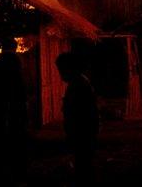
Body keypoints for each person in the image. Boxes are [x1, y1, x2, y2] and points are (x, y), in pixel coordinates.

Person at [56, 52, 98, 187]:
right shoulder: (78, 83)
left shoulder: (79, 85)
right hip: (82, 131)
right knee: (83, 162)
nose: (60, 73)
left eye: (61, 70)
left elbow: (81, 112)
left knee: (83, 163)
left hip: (82, 132)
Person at [0, 36, 27, 182]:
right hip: (14, 96)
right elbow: (19, 79)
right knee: (15, 125)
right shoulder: (15, 59)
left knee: (3, 124)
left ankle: (4, 152)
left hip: (1, 96)